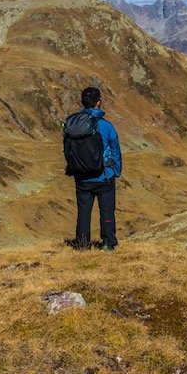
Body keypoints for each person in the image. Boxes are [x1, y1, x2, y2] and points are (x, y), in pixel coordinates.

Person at [72, 86, 122, 251]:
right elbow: (115, 149)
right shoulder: (106, 126)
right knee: (107, 211)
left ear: (82, 102)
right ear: (98, 102)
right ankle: (108, 243)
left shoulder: (75, 125)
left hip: (82, 177)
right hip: (104, 176)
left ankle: (82, 245)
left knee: (83, 213)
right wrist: (116, 171)